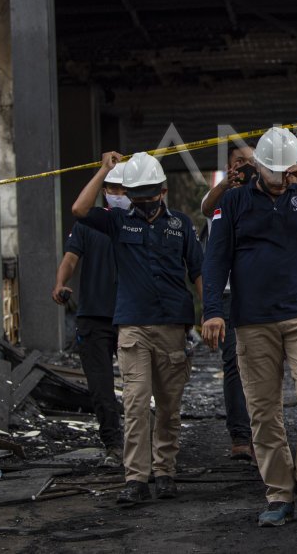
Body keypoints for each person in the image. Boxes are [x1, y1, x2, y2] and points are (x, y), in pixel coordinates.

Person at [200, 126, 297, 527]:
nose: (282, 179)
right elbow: (215, 259)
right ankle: (279, 493)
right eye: (276, 173)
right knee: (263, 410)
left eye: (288, 172)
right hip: (253, 321)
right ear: (258, 167)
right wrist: (212, 310)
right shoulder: (233, 202)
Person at [71, 151, 204, 506]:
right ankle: (136, 478)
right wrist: (103, 170)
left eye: (149, 195)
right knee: (135, 403)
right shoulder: (117, 222)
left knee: (168, 406)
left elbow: (198, 271)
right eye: (136, 196)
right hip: (132, 326)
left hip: (173, 325)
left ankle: (165, 472)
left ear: (163, 190)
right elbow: (79, 211)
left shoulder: (181, 225)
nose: (143, 203)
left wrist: (209, 315)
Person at [52, 161, 127, 465]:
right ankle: (113, 444)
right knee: (101, 388)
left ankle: (144, 443)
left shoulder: (139, 222)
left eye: (123, 187)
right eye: (112, 187)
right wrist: (60, 283)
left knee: (139, 386)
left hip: (131, 316)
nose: (117, 193)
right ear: (105, 191)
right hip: (95, 317)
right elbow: (70, 259)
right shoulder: (89, 223)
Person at [199, 143, 256, 462]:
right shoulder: (221, 198)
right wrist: (225, 183)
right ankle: (240, 436)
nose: (245, 167)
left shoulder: (264, 193)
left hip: (260, 293)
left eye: (251, 162)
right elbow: (206, 208)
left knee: (265, 364)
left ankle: (265, 436)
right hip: (230, 294)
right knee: (234, 364)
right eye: (239, 163)